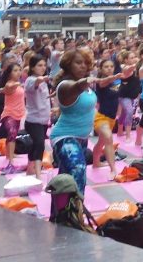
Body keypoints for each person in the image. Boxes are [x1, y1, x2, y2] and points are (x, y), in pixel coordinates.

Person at [49, 49, 97, 193]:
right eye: (78, 63)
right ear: (69, 65)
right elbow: (75, 87)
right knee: (78, 170)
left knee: (65, 180)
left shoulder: (87, 86)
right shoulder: (65, 86)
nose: (82, 66)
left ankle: (57, 214)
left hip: (82, 139)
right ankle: (76, 211)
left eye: (85, 63)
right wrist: (83, 83)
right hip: (64, 138)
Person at [23, 55, 52, 177]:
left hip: (44, 119)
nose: (43, 68)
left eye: (44, 65)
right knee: (40, 144)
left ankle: (30, 169)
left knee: (36, 144)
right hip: (33, 120)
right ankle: (38, 174)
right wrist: (42, 79)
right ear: (32, 67)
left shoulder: (44, 82)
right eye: (39, 65)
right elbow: (35, 82)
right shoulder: (30, 80)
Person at [0, 61, 26, 174]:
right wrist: (18, 84)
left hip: (18, 114)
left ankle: (10, 155)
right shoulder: (10, 84)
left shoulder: (18, 83)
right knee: (12, 134)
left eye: (19, 70)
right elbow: (9, 87)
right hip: (9, 114)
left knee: (12, 136)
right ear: (9, 73)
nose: (18, 72)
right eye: (15, 70)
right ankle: (10, 162)